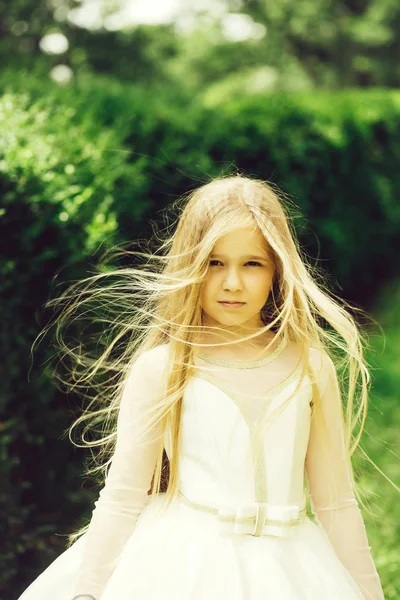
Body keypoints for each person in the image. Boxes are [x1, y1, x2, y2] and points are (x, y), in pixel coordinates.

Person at [18, 175, 386, 600]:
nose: (232, 282)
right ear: (191, 265)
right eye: (215, 262)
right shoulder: (165, 367)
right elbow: (122, 496)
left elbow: (336, 503)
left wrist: (369, 593)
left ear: (277, 270)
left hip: (292, 570)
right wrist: (88, 592)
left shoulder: (310, 366)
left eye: (252, 263)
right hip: (185, 568)